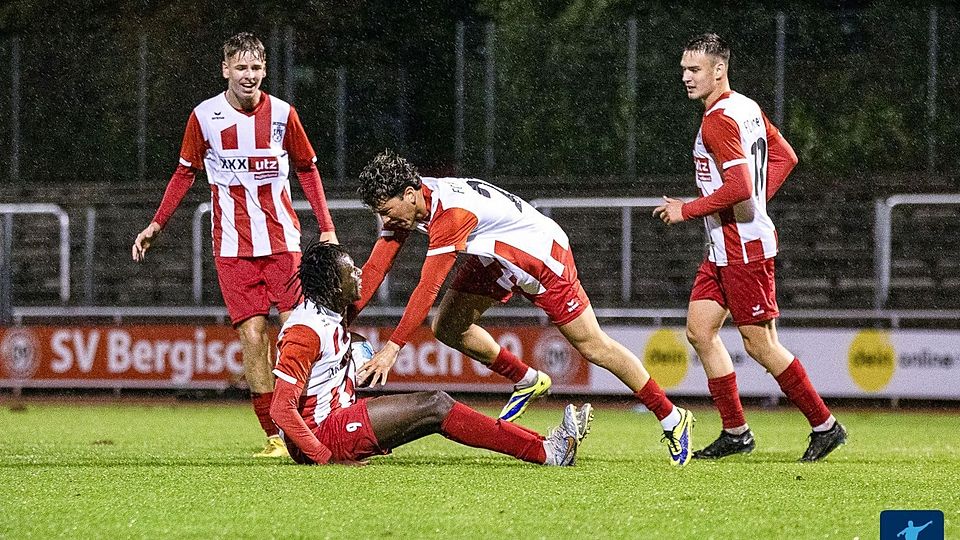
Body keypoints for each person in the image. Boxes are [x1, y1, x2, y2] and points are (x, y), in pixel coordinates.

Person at [353, 150, 695, 467]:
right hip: (496, 255)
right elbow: (373, 270)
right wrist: (339, 321)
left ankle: (672, 416)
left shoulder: (451, 214)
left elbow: (427, 286)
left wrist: (392, 349)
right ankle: (527, 378)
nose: (385, 219)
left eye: (386, 211)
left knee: (593, 345)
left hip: (541, 256)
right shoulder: (413, 207)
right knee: (447, 326)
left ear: (410, 194)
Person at [131, 32, 338, 458]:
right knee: (252, 336)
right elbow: (184, 173)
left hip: (283, 244)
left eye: (256, 68)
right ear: (225, 69)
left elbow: (308, 169)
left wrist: (327, 226)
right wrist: (157, 223)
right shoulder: (204, 116)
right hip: (231, 248)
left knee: (300, 332)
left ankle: (317, 415)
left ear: (265, 70)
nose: (249, 76)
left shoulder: (283, 115)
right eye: (241, 68)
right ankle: (276, 436)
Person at [653, 33, 846, 462]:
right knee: (700, 331)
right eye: (684, 68)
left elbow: (739, 187)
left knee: (760, 345)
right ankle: (736, 431)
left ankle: (825, 425)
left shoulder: (717, 120)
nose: (685, 76)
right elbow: (786, 157)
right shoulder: (746, 107)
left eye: (694, 69)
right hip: (722, 248)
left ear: (719, 70)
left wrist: (688, 209)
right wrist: (754, 203)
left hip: (743, 250)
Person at [269, 240, 592, 466]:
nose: (359, 275)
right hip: (323, 436)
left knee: (437, 412)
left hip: (338, 422)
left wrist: (394, 235)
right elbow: (281, 410)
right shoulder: (305, 330)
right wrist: (324, 458)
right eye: (350, 271)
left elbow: (377, 266)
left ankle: (548, 447)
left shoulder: (328, 314)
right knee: (436, 404)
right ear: (333, 285)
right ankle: (548, 452)